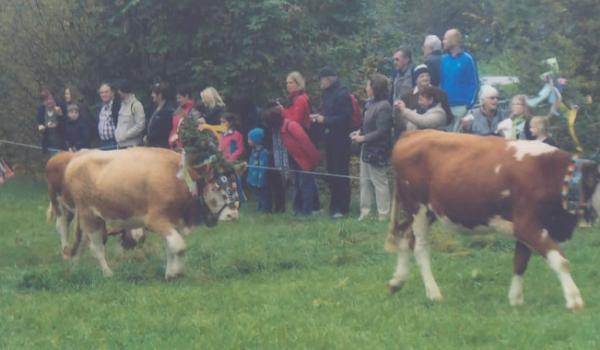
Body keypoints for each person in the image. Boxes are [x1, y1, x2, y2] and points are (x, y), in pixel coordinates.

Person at [263, 105, 320, 216]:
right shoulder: (278, 131)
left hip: (305, 160)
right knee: (297, 185)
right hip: (294, 160)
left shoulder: (292, 126)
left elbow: (307, 143)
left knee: (305, 186)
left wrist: (315, 160)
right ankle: (297, 210)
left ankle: (307, 212)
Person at [350, 74, 392, 221]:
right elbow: (365, 125)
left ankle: (383, 214)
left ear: (375, 88)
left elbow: (382, 131)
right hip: (366, 148)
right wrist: (359, 132)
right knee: (364, 181)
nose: (366, 88)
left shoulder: (384, 106)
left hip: (378, 150)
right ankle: (365, 212)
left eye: (368, 85)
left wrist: (363, 138)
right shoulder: (369, 104)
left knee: (380, 182)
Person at [312, 66, 353, 218]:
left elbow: (344, 118)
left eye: (321, 80)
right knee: (332, 172)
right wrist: (318, 117)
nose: (320, 83)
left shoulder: (342, 94)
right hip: (329, 139)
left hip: (341, 140)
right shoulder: (327, 94)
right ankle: (333, 205)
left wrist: (326, 120)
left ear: (328, 79)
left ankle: (342, 208)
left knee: (340, 172)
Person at [441, 29, 479, 130]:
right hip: (446, 107)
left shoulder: (467, 59)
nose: (443, 41)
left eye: (445, 39)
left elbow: (474, 83)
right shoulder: (444, 60)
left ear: (453, 40)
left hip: (461, 107)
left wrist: (468, 105)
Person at [390, 47, 414, 137]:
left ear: (406, 59)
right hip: (396, 116)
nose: (395, 62)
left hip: (410, 117)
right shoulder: (395, 73)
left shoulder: (414, 73)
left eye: (397, 59)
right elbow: (391, 94)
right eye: (394, 60)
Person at [115, 80, 145, 148]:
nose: (118, 92)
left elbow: (140, 126)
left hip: (132, 146)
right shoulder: (122, 105)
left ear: (124, 91)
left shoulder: (136, 105)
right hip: (120, 145)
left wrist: (125, 135)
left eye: (119, 90)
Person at [169, 84, 201, 149]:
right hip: (175, 145)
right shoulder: (178, 110)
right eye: (177, 98)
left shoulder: (194, 109)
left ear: (186, 96)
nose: (177, 100)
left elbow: (197, 127)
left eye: (179, 98)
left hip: (187, 147)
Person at [247, 128, 271, 212]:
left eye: (249, 139)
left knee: (264, 194)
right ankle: (260, 206)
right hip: (253, 177)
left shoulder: (264, 152)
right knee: (258, 195)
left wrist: (261, 178)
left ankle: (266, 208)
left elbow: (263, 166)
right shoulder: (253, 151)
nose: (248, 141)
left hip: (261, 179)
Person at [36, 89, 66, 153]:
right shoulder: (41, 110)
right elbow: (40, 124)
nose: (49, 101)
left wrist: (60, 115)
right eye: (46, 100)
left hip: (62, 144)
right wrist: (41, 128)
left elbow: (67, 125)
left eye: (50, 99)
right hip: (48, 144)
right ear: (43, 102)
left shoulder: (61, 107)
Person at [146, 82, 174, 148]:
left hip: (162, 147)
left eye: (154, 93)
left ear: (160, 95)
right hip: (153, 146)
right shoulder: (155, 108)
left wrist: (149, 138)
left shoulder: (168, 111)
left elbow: (163, 131)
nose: (152, 95)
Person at [96, 82, 121, 150]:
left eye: (106, 92)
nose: (104, 95)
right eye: (101, 93)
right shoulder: (100, 107)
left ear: (112, 93)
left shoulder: (118, 106)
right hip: (102, 143)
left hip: (114, 143)